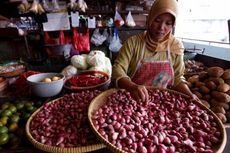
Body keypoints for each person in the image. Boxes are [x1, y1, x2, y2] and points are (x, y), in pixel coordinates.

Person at [111, 0, 199, 102]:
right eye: (157, 20)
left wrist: (189, 94)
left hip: (161, 101)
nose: (161, 27)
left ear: (173, 25)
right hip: (133, 99)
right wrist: (132, 87)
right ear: (150, 19)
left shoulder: (176, 46)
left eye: (168, 23)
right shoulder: (133, 43)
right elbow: (118, 70)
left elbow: (178, 78)